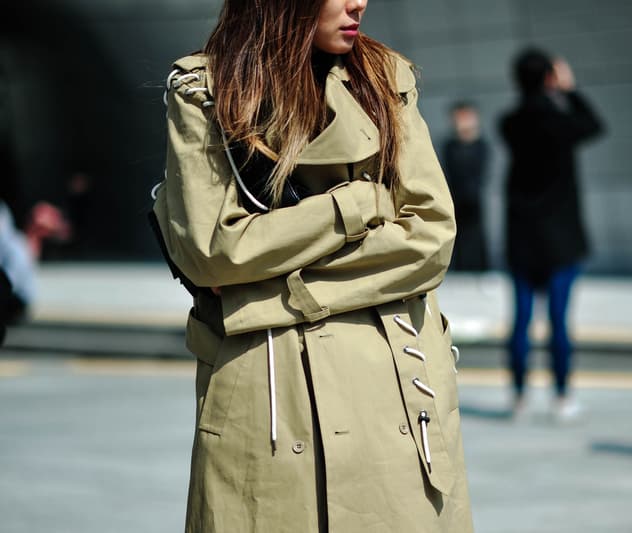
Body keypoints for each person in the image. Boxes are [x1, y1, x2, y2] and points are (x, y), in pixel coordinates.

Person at [151, 0, 473, 531]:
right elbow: (215, 251)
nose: (359, 2)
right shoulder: (207, 91)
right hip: (272, 397)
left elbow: (429, 237)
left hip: (393, 382)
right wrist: (356, 206)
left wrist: (260, 294)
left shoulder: (383, 79)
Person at [500, 49, 605, 420]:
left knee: (522, 320)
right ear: (550, 78)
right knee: (559, 320)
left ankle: (519, 397)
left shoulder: (509, 123)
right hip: (561, 239)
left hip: (522, 238)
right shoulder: (561, 123)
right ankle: (562, 397)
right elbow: (594, 125)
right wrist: (569, 90)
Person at [441, 102, 490, 271]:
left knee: (476, 238)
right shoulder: (450, 147)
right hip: (456, 202)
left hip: (474, 203)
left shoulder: (480, 145)